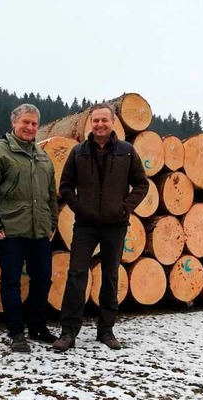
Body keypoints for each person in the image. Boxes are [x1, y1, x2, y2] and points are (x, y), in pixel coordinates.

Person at [53, 103, 149, 351]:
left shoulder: (127, 152)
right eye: (96, 120)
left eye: (104, 120)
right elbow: (65, 187)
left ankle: (106, 330)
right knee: (76, 275)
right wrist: (80, 207)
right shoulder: (78, 152)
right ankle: (68, 332)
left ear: (113, 122)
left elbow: (141, 184)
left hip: (115, 226)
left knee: (110, 276)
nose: (100, 125)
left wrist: (125, 207)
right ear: (90, 123)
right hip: (85, 225)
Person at [0, 104, 58, 353]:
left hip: (39, 231)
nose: (30, 127)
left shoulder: (43, 156)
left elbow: (50, 195)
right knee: (11, 281)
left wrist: (52, 222)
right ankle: (16, 333)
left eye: (34, 123)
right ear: (14, 123)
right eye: (25, 122)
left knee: (42, 279)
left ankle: (37, 327)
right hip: (9, 230)